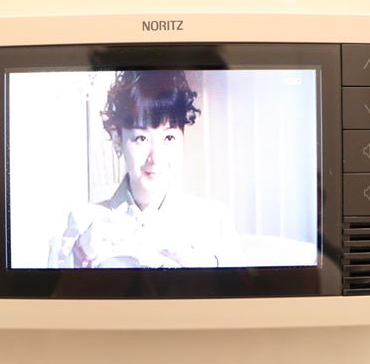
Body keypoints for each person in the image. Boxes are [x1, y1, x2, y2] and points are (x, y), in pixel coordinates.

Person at [57, 70, 243, 269]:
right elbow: (52, 288)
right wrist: (81, 254)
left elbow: (244, 288)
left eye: (168, 138)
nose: (155, 158)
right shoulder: (84, 222)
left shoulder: (215, 220)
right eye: (141, 138)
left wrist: (201, 265)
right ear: (118, 140)